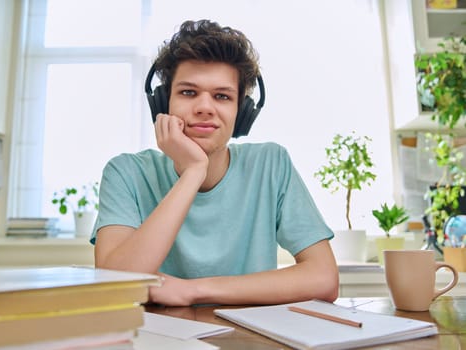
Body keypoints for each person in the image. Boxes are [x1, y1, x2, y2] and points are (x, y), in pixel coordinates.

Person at [92, 19, 338, 306]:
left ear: (242, 112)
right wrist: (193, 172)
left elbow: (324, 279)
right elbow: (115, 283)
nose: (205, 108)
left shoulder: (271, 164)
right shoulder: (126, 173)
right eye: (188, 92)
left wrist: (193, 290)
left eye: (222, 96)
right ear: (162, 103)